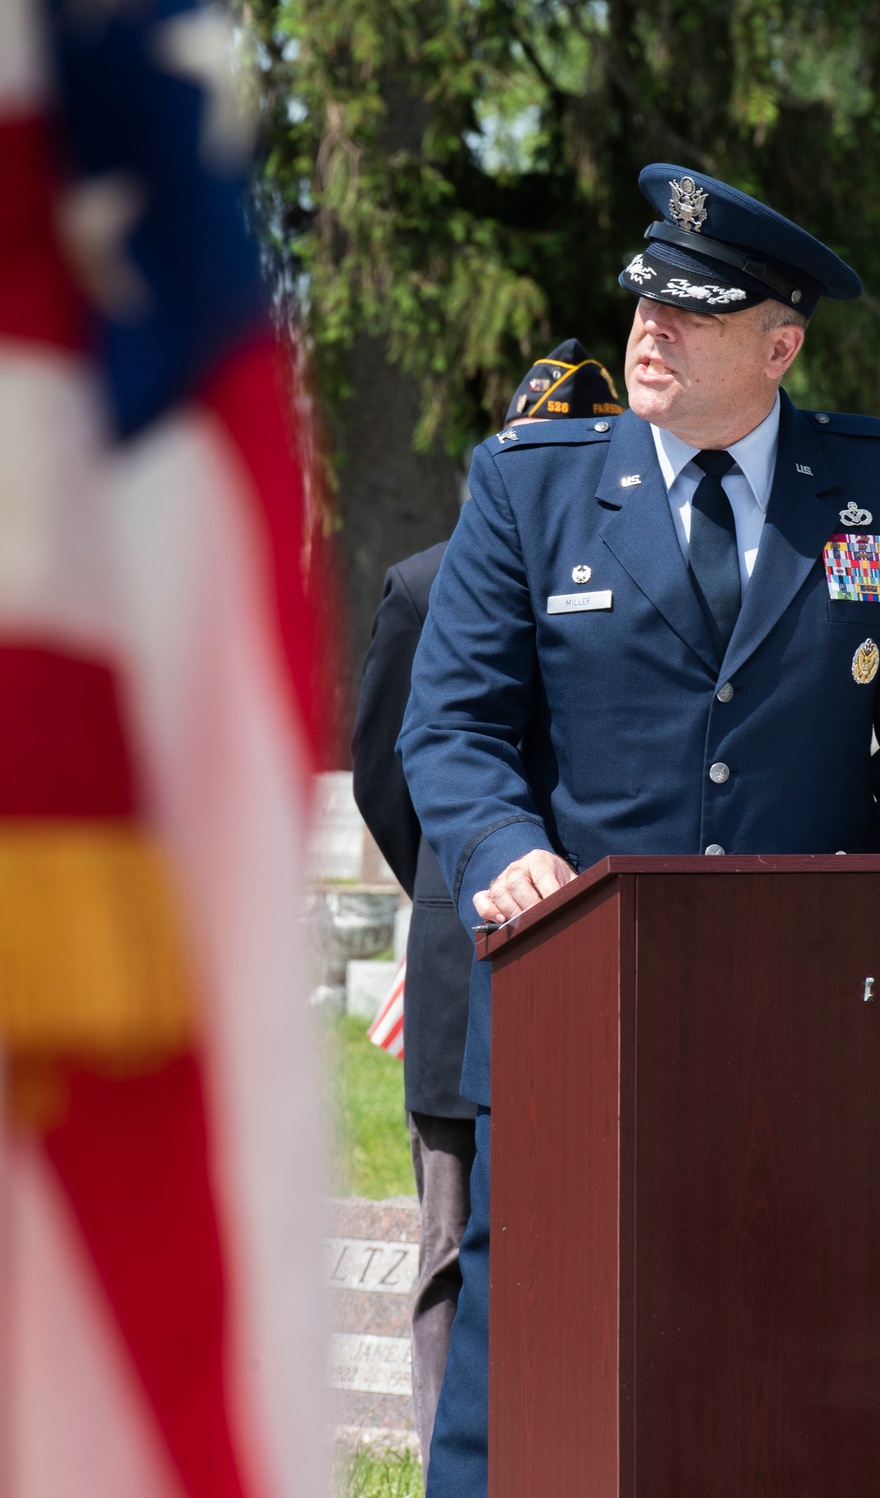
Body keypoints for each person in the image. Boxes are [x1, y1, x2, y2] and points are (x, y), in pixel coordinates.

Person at [398, 163, 880, 1498]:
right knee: (521, 1404)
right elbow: (452, 728)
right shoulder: (530, 489)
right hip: (572, 1021)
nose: (648, 336)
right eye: (642, 308)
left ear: (780, 344)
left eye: (695, 315)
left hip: (812, 1031)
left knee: (783, 1381)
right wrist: (506, 855)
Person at [351, 340, 623, 1474]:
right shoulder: (424, 581)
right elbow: (390, 770)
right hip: (474, 960)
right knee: (457, 1249)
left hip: (603, 946)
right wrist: (463, 887)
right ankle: (445, 1461)